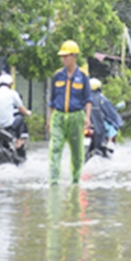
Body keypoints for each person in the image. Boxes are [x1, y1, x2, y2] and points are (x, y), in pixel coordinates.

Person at [47, 40, 91, 185]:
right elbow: (52, 100)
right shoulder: (57, 76)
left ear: (74, 56)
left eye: (66, 56)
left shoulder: (83, 76)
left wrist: (87, 118)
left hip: (76, 116)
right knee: (55, 149)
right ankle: (54, 181)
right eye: (62, 56)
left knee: (77, 152)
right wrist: (49, 120)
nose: (63, 59)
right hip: (58, 116)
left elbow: (88, 100)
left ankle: (75, 180)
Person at [0, 73, 30, 150]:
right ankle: (18, 141)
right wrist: (27, 113)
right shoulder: (13, 94)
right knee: (20, 118)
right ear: (10, 84)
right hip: (7, 125)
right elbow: (21, 109)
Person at [89, 79, 123, 151]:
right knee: (112, 127)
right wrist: (117, 121)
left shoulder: (83, 98)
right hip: (98, 123)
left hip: (85, 123)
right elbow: (111, 112)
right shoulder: (102, 99)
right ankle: (109, 142)